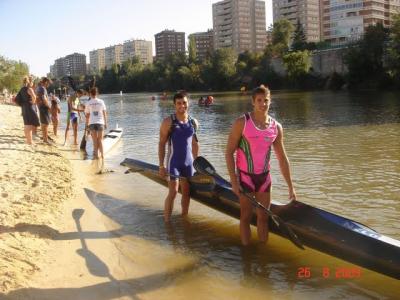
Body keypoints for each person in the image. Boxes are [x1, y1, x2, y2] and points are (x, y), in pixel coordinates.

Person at [225, 85, 296, 246]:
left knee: (264, 217)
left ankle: (262, 258)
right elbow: (229, 152)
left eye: (266, 100)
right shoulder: (241, 123)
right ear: (253, 102)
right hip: (245, 178)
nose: (263, 104)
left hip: (264, 178)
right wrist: (234, 181)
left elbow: (282, 158)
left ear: (270, 102)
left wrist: (291, 186)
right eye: (259, 100)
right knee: (246, 217)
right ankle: (247, 254)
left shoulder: (276, 127)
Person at [158, 92, 200, 222]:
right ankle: (167, 222)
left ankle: (184, 219)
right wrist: (161, 165)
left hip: (189, 163)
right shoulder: (168, 122)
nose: (182, 105)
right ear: (174, 105)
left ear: (188, 103)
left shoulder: (193, 122)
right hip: (174, 163)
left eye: (184, 103)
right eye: (179, 103)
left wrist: (197, 164)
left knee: (187, 193)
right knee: (173, 192)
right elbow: (161, 144)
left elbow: (195, 144)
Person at [84, 87, 107, 159]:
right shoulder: (101, 101)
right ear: (97, 93)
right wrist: (106, 123)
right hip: (100, 122)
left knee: (94, 141)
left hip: (92, 123)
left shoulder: (88, 103)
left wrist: (87, 125)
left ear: (90, 94)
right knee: (100, 140)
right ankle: (102, 156)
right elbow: (104, 113)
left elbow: (87, 116)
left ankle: (96, 156)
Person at [18, 76, 40, 145]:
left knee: (26, 124)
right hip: (29, 107)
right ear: (30, 82)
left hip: (24, 107)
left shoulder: (21, 89)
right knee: (30, 125)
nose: (33, 83)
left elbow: (16, 99)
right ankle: (30, 141)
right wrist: (33, 102)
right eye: (32, 82)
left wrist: (22, 104)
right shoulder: (29, 89)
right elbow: (34, 97)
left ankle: (28, 140)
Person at [36, 77, 52, 144]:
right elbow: (44, 98)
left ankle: (45, 138)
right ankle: (45, 140)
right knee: (46, 124)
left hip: (41, 107)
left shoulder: (39, 88)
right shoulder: (43, 89)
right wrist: (49, 107)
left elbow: (38, 98)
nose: (49, 85)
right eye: (48, 83)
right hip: (44, 108)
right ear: (46, 82)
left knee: (43, 123)